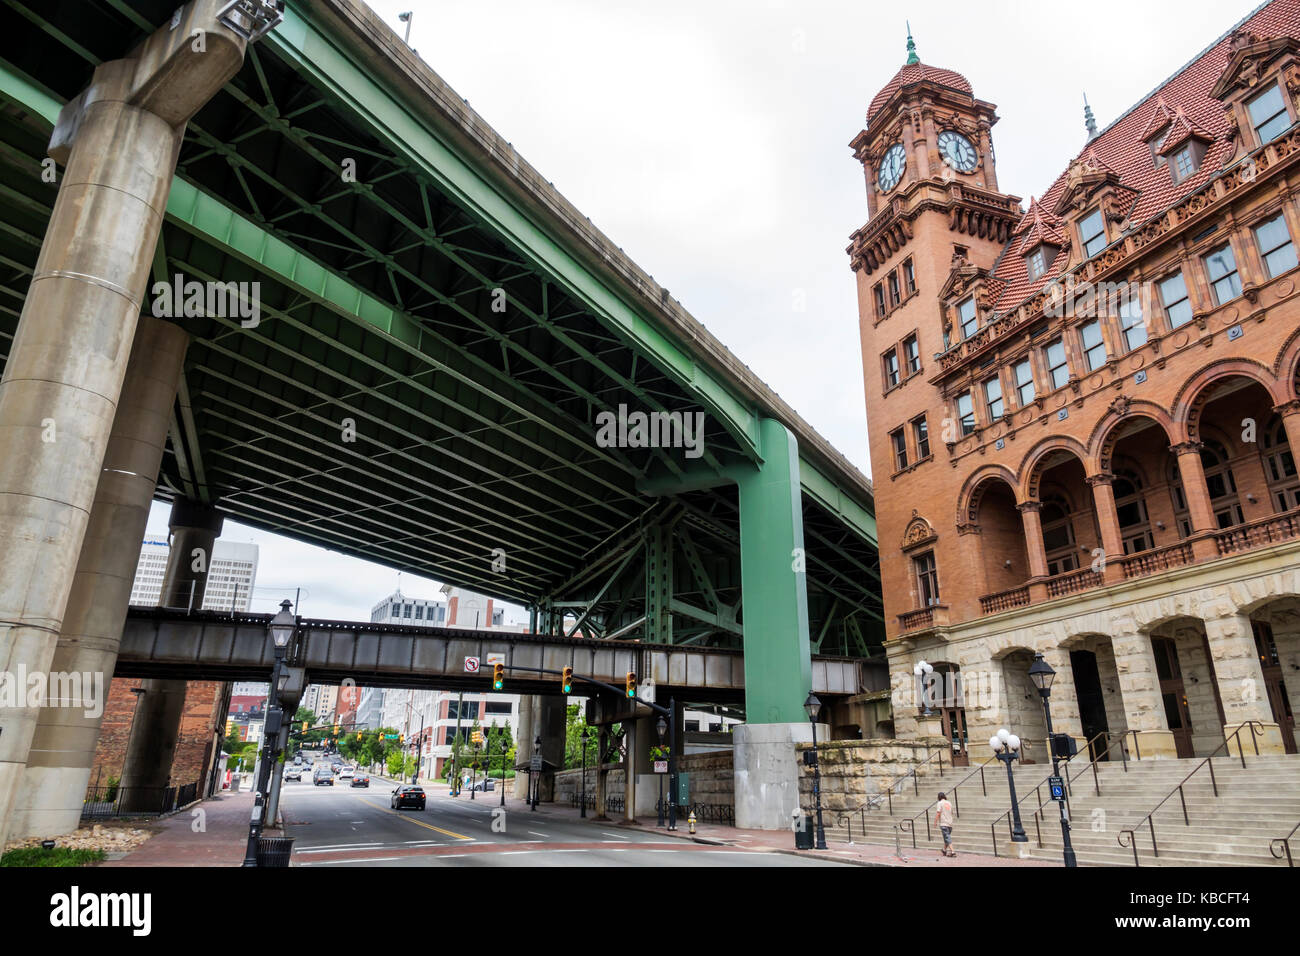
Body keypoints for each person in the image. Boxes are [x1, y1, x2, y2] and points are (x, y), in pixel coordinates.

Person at [934, 792, 956, 858]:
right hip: (950, 823)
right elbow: (952, 812)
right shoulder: (949, 803)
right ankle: (944, 850)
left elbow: (938, 813)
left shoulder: (940, 803)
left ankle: (953, 851)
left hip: (944, 823)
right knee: (947, 837)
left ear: (939, 797)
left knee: (947, 837)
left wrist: (935, 822)